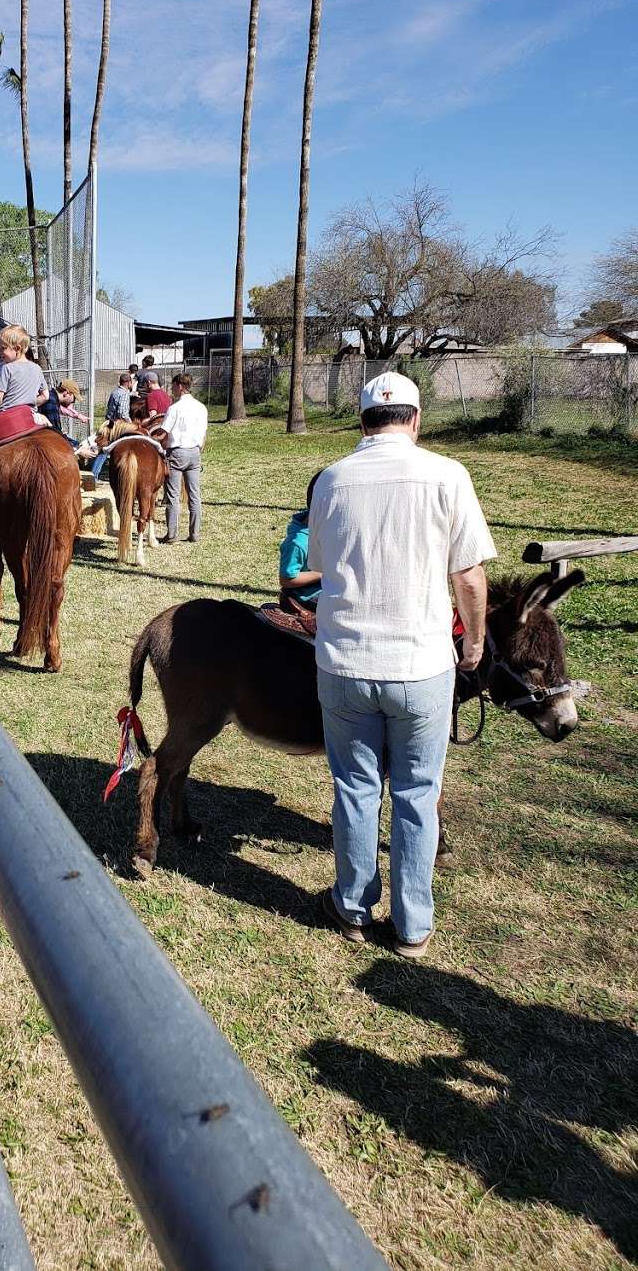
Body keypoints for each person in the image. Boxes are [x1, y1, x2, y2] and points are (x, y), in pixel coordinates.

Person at [307, 371, 496, 959]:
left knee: (355, 787)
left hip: (346, 660)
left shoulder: (333, 479)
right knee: (418, 791)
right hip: (421, 664)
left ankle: (354, 906)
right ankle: (412, 924)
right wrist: (473, 644)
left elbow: (321, 564)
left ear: (362, 420)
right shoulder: (448, 475)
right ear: (416, 419)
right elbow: (467, 575)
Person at [157, 373, 207, 545]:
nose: (171, 388)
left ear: (179, 386)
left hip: (177, 452)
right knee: (194, 495)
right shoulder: (201, 407)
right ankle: (195, 533)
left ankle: (172, 534)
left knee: (173, 495)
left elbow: (163, 433)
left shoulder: (175, 408)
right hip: (195, 452)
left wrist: (152, 440)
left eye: (173, 385)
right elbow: (204, 434)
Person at [277, 471, 323, 631]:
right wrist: (321, 574)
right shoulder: (299, 542)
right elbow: (287, 579)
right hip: (308, 595)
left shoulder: (322, 530)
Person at [0, 325, 47, 413]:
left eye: (3, 348)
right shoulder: (37, 368)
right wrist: (27, 404)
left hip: (9, 415)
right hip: (30, 415)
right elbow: (45, 396)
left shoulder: (6, 368)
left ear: (17, 348)